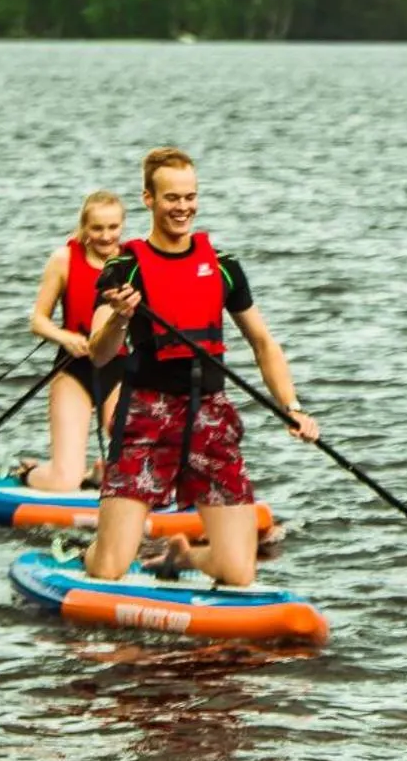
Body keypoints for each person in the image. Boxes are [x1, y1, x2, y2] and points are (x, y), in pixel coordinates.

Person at [83, 147, 318, 587]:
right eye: (172, 197)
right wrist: (119, 316)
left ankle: (184, 556)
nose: (183, 207)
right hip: (146, 419)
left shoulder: (224, 267)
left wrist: (292, 405)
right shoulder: (124, 268)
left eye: (190, 196)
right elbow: (98, 351)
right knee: (111, 568)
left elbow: (263, 342)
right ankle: (88, 551)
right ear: (149, 200)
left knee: (239, 572)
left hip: (211, 415)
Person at [18, 190, 126, 492]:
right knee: (64, 482)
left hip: (121, 371)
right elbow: (38, 320)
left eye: (113, 227)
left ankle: (97, 476)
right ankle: (30, 472)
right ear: (85, 228)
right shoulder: (64, 259)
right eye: (98, 228)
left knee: (130, 464)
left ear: (122, 226)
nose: (106, 236)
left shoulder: (133, 260)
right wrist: (64, 337)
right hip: (73, 369)